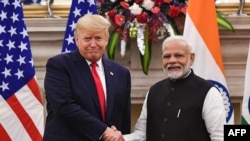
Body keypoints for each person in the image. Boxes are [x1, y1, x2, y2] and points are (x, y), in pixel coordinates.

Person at [43, 14, 131, 141]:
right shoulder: (59, 65)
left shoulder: (121, 72)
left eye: (98, 38)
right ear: (77, 39)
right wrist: (103, 131)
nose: (93, 44)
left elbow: (123, 118)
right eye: (87, 38)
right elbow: (64, 107)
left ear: (106, 40)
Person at [124, 35, 226, 141]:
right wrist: (118, 138)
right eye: (167, 56)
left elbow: (219, 136)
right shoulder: (154, 91)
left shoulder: (209, 92)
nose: (172, 60)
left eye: (179, 55)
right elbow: (141, 133)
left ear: (191, 58)